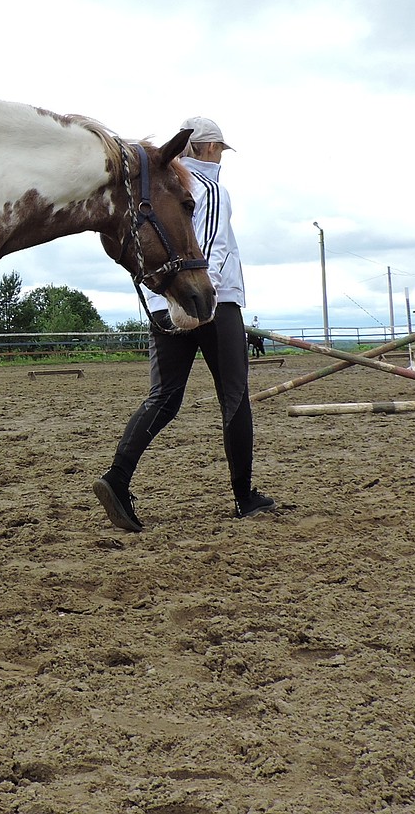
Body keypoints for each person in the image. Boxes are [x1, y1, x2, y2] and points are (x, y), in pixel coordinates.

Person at [92, 116, 276, 530]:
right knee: (234, 396)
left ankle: (117, 477)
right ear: (210, 148)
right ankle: (245, 497)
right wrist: (200, 303)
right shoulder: (207, 186)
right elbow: (208, 247)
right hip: (210, 301)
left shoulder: (159, 185)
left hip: (162, 303)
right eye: (220, 150)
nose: (221, 157)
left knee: (164, 397)